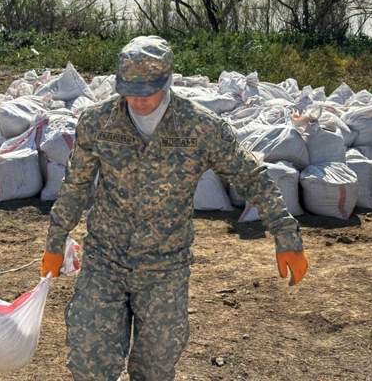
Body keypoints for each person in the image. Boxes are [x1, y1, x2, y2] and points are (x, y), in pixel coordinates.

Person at [40, 36, 309, 381]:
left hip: (164, 268)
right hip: (105, 261)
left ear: (166, 81)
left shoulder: (200, 127)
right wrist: (54, 242)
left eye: (147, 90)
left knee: (155, 369)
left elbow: (252, 177)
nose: (137, 99)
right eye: (129, 90)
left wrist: (286, 236)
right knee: (89, 361)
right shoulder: (98, 122)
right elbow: (76, 186)